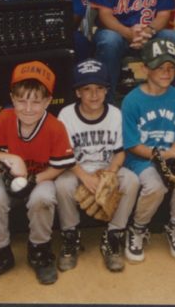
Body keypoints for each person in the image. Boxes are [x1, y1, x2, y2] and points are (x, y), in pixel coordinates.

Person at [0, 61, 76, 288]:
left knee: (42, 199)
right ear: (12, 98)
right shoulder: (5, 118)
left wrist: (33, 180)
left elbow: (60, 166)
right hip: (9, 177)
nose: (28, 108)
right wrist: (12, 159)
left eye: (36, 101)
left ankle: (40, 251)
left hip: (42, 176)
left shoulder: (55, 127)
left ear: (47, 101)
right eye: (21, 100)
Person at [54, 59, 139, 273]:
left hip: (106, 166)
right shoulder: (66, 115)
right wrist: (84, 176)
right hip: (76, 167)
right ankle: (70, 235)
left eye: (100, 88)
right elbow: (65, 155)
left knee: (131, 180)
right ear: (77, 92)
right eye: (87, 89)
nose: (94, 95)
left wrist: (110, 174)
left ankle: (113, 235)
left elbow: (120, 152)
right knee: (62, 185)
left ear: (107, 90)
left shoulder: (115, 114)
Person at [121, 37, 175, 263]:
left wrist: (174, 159)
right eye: (159, 67)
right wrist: (159, 157)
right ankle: (138, 227)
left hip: (169, 154)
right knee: (155, 185)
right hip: (139, 159)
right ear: (144, 68)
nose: (166, 72)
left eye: (171, 67)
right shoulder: (132, 101)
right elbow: (132, 144)